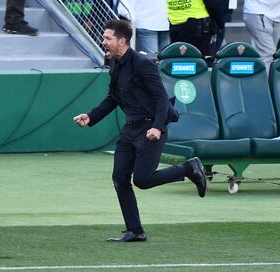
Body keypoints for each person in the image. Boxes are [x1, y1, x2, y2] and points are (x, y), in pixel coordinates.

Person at [73, 20, 207, 242]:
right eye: (104, 37)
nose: (103, 41)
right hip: (130, 129)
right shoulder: (115, 64)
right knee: (119, 177)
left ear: (122, 41)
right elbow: (113, 97)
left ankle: (188, 168)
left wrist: (157, 126)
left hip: (150, 128)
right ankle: (135, 230)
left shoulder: (143, 64)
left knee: (143, 180)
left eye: (108, 38)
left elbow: (162, 99)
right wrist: (91, 116)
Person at [243, 0, 280, 73]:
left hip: (272, 14)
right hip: (259, 11)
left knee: (265, 53)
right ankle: (265, 83)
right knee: (268, 53)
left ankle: (255, 80)